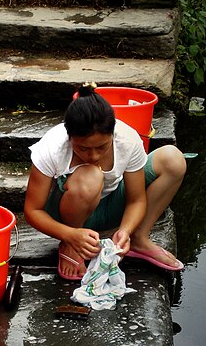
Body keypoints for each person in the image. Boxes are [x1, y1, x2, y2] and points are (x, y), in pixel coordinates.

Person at [24, 84, 187, 280]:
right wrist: (70, 235)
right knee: (91, 176)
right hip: (67, 212)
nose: (93, 155)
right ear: (70, 137)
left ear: (112, 133)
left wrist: (126, 229)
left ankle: (138, 238)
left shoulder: (127, 139)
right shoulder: (52, 146)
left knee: (173, 159)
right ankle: (70, 245)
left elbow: (136, 200)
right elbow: (33, 211)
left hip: (110, 207)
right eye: (83, 148)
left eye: (102, 147)